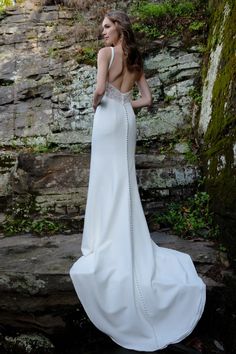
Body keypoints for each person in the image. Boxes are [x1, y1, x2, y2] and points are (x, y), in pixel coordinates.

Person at [70, 10, 206, 352]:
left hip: (108, 120)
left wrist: (96, 102)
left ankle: (105, 238)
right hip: (127, 119)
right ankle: (126, 236)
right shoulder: (136, 60)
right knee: (124, 181)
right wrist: (125, 103)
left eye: (106, 26)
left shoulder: (106, 55)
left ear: (118, 28)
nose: (102, 32)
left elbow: (100, 88)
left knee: (106, 178)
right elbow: (146, 99)